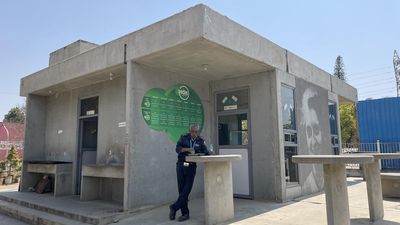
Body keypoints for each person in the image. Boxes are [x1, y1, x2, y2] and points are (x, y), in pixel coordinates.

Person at [169, 123, 209, 222]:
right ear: (189, 131)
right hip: (181, 165)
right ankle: (185, 213)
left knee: (187, 190)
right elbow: (177, 149)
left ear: (198, 132)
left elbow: (206, 152)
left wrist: (207, 152)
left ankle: (174, 207)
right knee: (181, 190)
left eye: (196, 132)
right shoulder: (183, 138)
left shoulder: (201, 140)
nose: (194, 134)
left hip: (191, 167)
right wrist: (187, 149)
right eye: (192, 131)